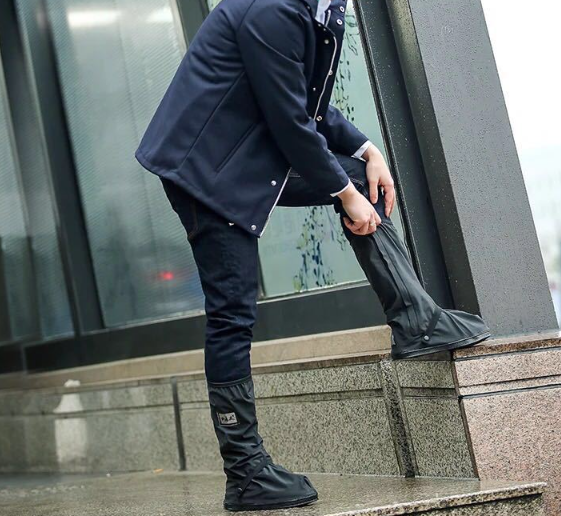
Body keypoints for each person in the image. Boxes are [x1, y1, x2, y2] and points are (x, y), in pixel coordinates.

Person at [136, 0, 491, 511]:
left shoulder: (326, 9)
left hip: (246, 153)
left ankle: (416, 321)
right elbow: (288, 119)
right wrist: (345, 193)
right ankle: (246, 473)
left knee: (361, 180)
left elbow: (312, 105)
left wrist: (367, 150)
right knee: (232, 313)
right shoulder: (271, 9)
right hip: (204, 169)